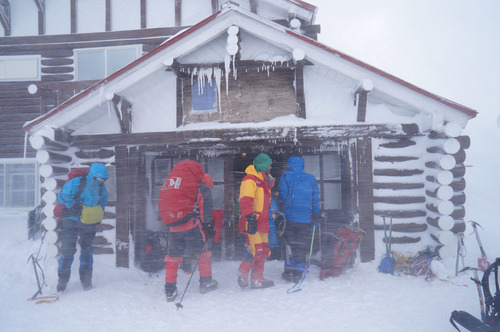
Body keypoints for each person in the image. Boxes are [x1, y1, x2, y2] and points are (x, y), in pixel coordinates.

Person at [158, 161, 217, 302]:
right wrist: (209, 227)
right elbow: (205, 212)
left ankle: (170, 290)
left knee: (172, 258)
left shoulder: (177, 184)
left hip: (173, 227)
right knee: (203, 254)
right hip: (191, 226)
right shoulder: (201, 187)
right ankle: (206, 282)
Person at [56, 163, 109, 292]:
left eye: (103, 179)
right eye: (99, 178)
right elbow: (62, 196)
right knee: (68, 250)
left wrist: (95, 212)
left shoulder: (101, 186)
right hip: (71, 220)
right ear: (93, 175)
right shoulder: (78, 182)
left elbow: (103, 201)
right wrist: (73, 205)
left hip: (88, 222)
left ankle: (86, 280)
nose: (101, 181)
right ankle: (62, 281)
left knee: (87, 250)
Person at [277, 155, 320, 283]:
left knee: (288, 244)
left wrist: (278, 202)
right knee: (300, 244)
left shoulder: (285, 177)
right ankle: (299, 271)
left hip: (289, 217)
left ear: (289, 164)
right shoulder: (311, 178)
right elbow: (315, 198)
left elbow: (282, 195)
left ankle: (289, 271)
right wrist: (316, 214)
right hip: (305, 219)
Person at [237, 153, 275, 289]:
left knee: (263, 250)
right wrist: (250, 217)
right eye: (269, 165)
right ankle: (242, 273)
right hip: (252, 221)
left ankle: (257, 279)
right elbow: (245, 200)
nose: (271, 167)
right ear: (264, 166)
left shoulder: (263, 181)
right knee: (255, 250)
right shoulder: (250, 180)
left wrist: (269, 182)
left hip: (263, 222)